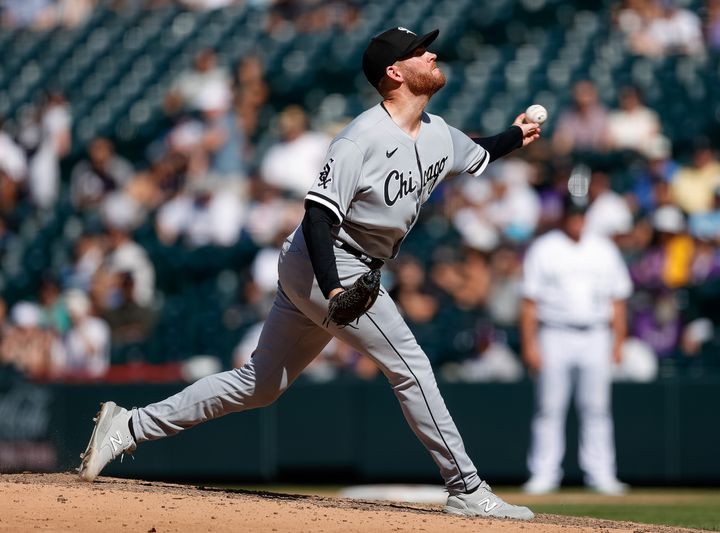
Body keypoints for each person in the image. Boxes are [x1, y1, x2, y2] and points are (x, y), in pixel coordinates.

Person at [78, 27, 540, 520]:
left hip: (336, 266)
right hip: (329, 259)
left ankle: (127, 427)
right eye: (419, 51)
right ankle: (467, 487)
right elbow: (318, 215)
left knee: (259, 384)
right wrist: (334, 286)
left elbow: (482, 151)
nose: (432, 53)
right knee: (411, 366)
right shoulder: (360, 137)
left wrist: (518, 133)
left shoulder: (440, 135)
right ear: (395, 71)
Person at [520, 195, 632, 496]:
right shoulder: (545, 248)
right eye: (572, 215)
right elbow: (530, 302)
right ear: (564, 217)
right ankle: (543, 474)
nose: (577, 220)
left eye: (581, 215)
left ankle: (602, 474)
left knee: (596, 408)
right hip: (554, 332)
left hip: (596, 333)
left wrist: (618, 342)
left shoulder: (604, 249)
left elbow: (618, 300)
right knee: (549, 407)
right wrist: (530, 343)